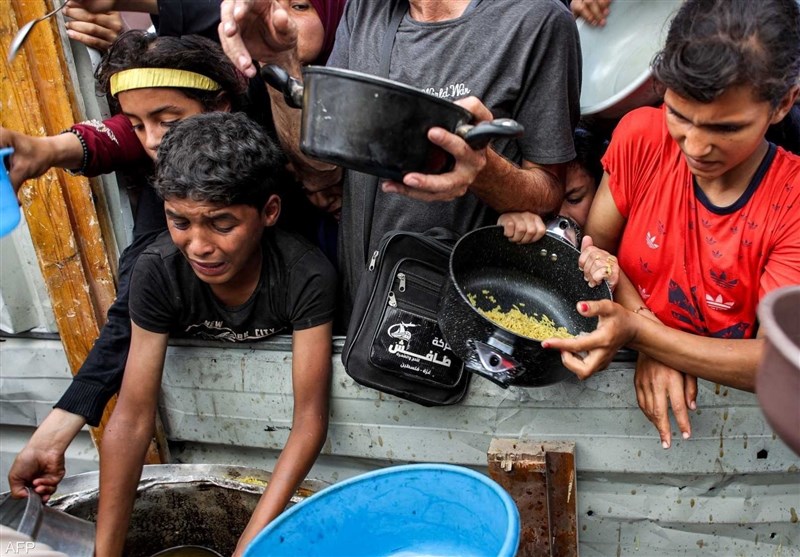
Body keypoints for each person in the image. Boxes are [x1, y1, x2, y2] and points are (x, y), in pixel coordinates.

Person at [6, 0, 344, 498]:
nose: (153, 142)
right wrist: (61, 424)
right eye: (138, 126)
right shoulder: (169, 213)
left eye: (167, 120)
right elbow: (131, 317)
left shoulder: (285, 197)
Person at [219, 0, 582, 327]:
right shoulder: (364, 11)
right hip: (363, 320)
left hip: (467, 325)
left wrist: (483, 171)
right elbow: (321, 173)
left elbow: (548, 193)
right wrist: (278, 61)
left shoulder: (536, 20)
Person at [541, 0, 800, 449]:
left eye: (726, 128)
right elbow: (596, 252)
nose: (696, 146)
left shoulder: (791, 202)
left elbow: (774, 361)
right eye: (679, 115)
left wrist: (646, 334)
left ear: (783, 105)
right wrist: (648, 338)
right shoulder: (641, 136)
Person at [93, 111, 336, 557]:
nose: (200, 246)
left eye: (222, 224)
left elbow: (309, 422)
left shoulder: (306, 275)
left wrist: (248, 544)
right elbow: (130, 418)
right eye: (179, 222)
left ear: (269, 211)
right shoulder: (157, 271)